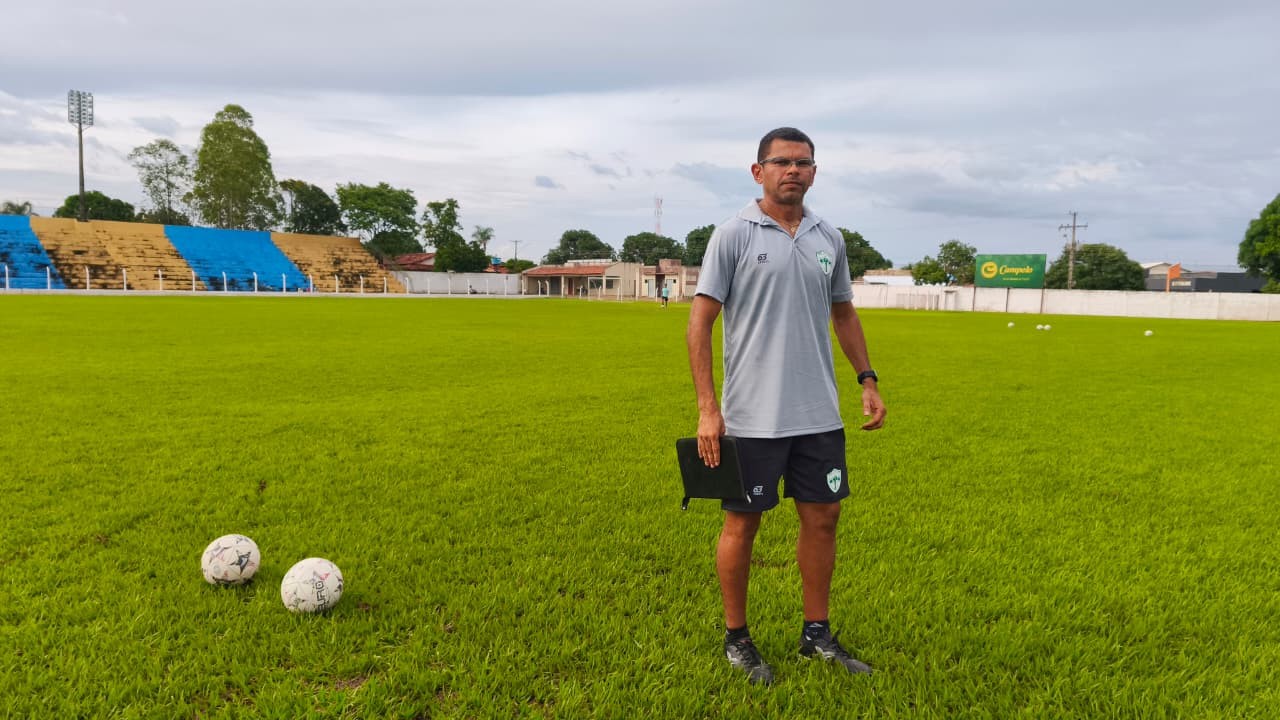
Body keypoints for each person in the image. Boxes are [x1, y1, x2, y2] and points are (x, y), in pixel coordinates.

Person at [686, 127, 886, 686]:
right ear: (758, 172)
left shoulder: (829, 237)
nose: (792, 171)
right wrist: (708, 408)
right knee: (742, 522)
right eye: (781, 163)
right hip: (751, 415)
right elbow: (700, 322)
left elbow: (843, 312)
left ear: (815, 172)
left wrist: (866, 379)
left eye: (803, 163)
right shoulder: (733, 235)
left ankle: (816, 635)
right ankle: (737, 640)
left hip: (818, 413)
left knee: (823, 518)